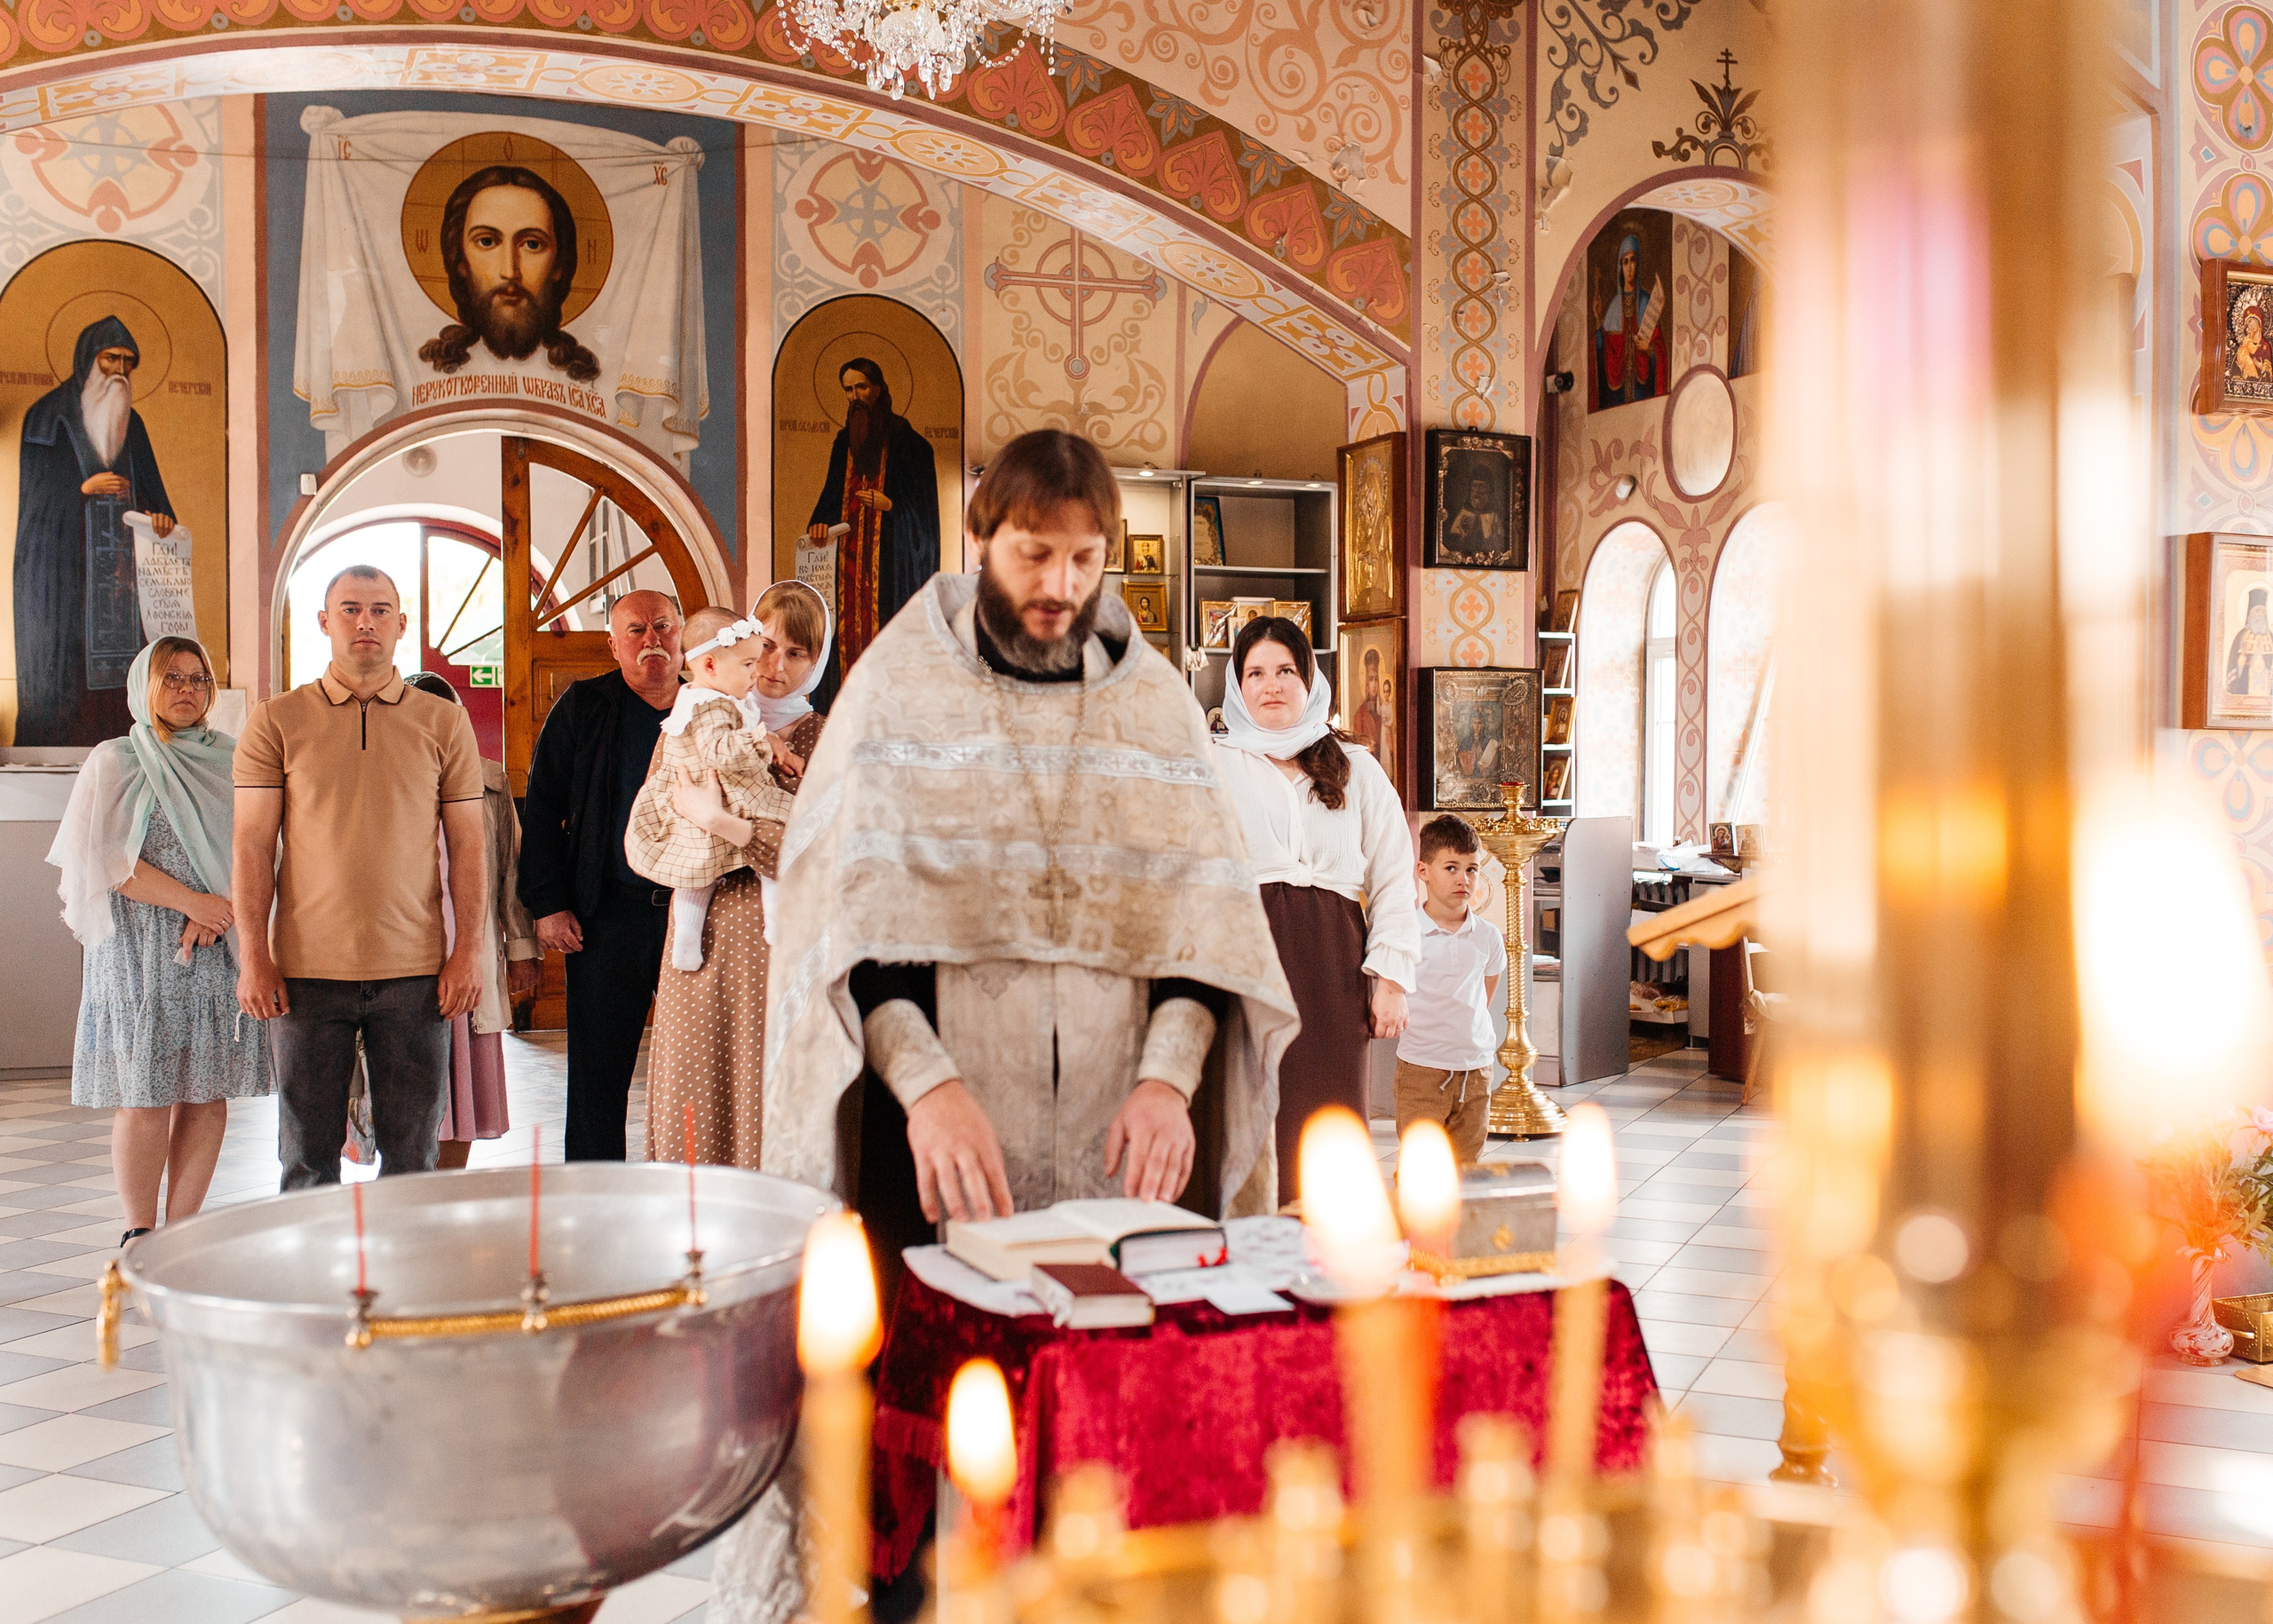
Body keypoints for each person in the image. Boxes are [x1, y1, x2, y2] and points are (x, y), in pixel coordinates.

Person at [711, 429, 1296, 1624]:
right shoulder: (895, 687)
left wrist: (1170, 1082)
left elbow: (1203, 936)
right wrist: (924, 1087)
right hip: (937, 1133)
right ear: (982, 539)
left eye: (1086, 560)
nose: (1062, 586)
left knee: (1111, 1421)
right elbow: (853, 930)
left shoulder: (1150, 704)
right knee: (929, 1435)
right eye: (1036, 554)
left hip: (1119, 1141)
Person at [232, 565, 487, 1189]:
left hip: (415, 973)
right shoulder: (276, 720)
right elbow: (252, 844)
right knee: (306, 1158)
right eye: (349, 609)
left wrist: (467, 953)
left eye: (379, 610)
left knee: (412, 1162)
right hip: (306, 975)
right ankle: (316, 1285)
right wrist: (255, 957)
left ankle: (402, 1284)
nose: (364, 621)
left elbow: (470, 845)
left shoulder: (442, 721)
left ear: (402, 625)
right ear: (324, 622)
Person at [47, 637, 269, 1246]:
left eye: (199, 679)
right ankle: (140, 1232)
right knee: (145, 1093)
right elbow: (106, 860)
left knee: (207, 1093)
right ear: (144, 683)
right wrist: (194, 902)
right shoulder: (116, 759)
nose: (187, 690)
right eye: (171, 677)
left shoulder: (232, 757)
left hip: (214, 949)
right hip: (140, 952)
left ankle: (184, 1234)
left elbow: (254, 846)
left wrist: (220, 912)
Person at [1214, 614, 1419, 1205]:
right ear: (1237, 684)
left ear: (1310, 680)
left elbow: (1392, 881)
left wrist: (1392, 980)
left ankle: (1333, 1259)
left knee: (1332, 1122)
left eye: (1285, 670)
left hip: (1334, 970)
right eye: (1256, 672)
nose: (1270, 684)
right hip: (1247, 966)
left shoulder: (1358, 770)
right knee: (1250, 1118)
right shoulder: (1215, 765)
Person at [645, 580, 834, 1170]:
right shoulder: (692, 719)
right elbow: (658, 829)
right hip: (698, 954)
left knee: (766, 1098)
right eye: (768, 646)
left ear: (818, 659)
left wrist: (720, 823)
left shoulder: (825, 739)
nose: (776, 666)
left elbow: (816, 853)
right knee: (693, 1095)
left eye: (797, 653)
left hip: (781, 955)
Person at [516, 590, 683, 1161]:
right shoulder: (584, 707)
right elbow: (540, 809)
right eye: (635, 631)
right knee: (597, 1073)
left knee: (702, 1060)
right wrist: (548, 903)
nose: (650, 641)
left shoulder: (715, 706)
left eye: (662, 626)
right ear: (613, 645)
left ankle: (701, 1186)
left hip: (698, 914)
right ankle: (593, 1192)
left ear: (681, 633)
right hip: (609, 915)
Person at [12, 315, 178, 746]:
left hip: (123, 583)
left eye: (127, 362)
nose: (120, 372)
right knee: (67, 677)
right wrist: (81, 489)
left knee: (122, 685)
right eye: (111, 360)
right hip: (64, 580)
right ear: (89, 360)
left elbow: (156, 499)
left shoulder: (133, 424)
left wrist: (161, 518)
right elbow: (33, 506)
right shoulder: (46, 418)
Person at [403, 672, 540, 1168]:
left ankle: (445, 1185)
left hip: (470, 951)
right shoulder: (380, 775)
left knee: (463, 1096)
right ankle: (404, 1189)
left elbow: (509, 869)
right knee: (401, 1088)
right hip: (401, 954)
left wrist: (521, 950)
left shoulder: (489, 780)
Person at [626, 606, 786, 976]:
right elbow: (720, 751)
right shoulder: (714, 705)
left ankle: (686, 940)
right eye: (748, 665)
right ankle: (777, 919)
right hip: (728, 792)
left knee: (696, 876)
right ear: (711, 666)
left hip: (695, 803)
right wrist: (762, 740)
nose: (757, 672)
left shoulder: (695, 697)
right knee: (779, 827)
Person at [804, 358, 939, 709]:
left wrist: (891, 506)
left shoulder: (912, 446)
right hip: (846, 571)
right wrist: (819, 522)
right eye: (848, 389)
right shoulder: (842, 444)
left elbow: (926, 523)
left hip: (891, 572)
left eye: (861, 387)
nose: (855, 396)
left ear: (878, 388)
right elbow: (830, 498)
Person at [417, 165, 601, 382]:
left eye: (532, 244)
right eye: (487, 241)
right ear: (461, 262)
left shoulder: (582, 376)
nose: (510, 272)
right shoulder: (434, 372)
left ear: (558, 265)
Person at [1396, 814, 1505, 1165]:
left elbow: (1487, 990)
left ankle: (1459, 1222)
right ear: (1423, 871)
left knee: (1465, 1167)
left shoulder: (1487, 935)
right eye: (1451, 868)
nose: (1464, 879)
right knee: (1421, 1168)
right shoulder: (1405, 932)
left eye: (1472, 869)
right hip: (1422, 1068)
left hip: (1476, 1069)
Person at [1594, 230, 1667, 407]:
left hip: (1642, 387)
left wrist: (1649, 348)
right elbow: (1601, 348)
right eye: (1625, 261)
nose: (1629, 267)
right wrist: (1598, 320)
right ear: (1620, 266)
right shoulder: (1613, 306)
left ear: (1639, 264)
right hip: (1617, 393)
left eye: (1633, 260)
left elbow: (1660, 349)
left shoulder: (1647, 302)